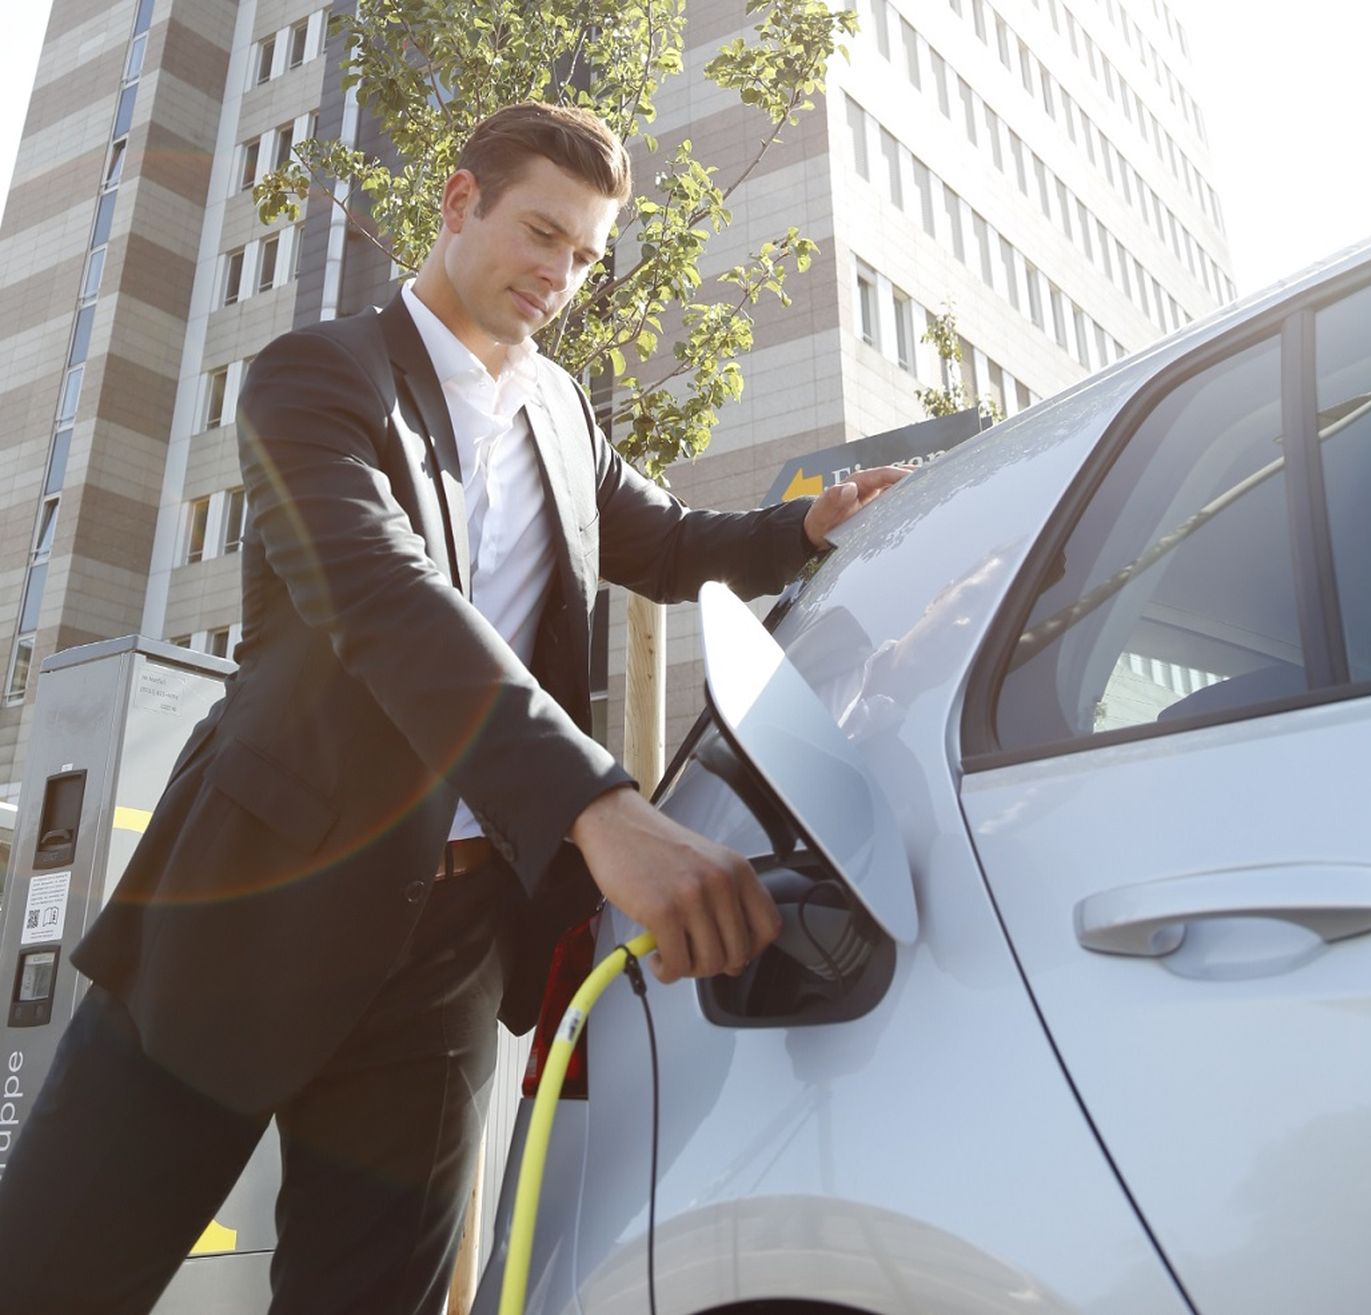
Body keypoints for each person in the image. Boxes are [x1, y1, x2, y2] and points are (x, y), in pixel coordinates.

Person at [0, 103, 904, 1314]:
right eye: (541, 233)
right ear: (458, 199)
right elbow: (381, 595)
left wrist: (804, 525)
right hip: (247, 908)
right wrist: (598, 805)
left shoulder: (564, 415)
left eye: (586, 257)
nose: (560, 275)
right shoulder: (316, 376)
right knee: (54, 1271)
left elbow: (670, 540)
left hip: (455, 947)